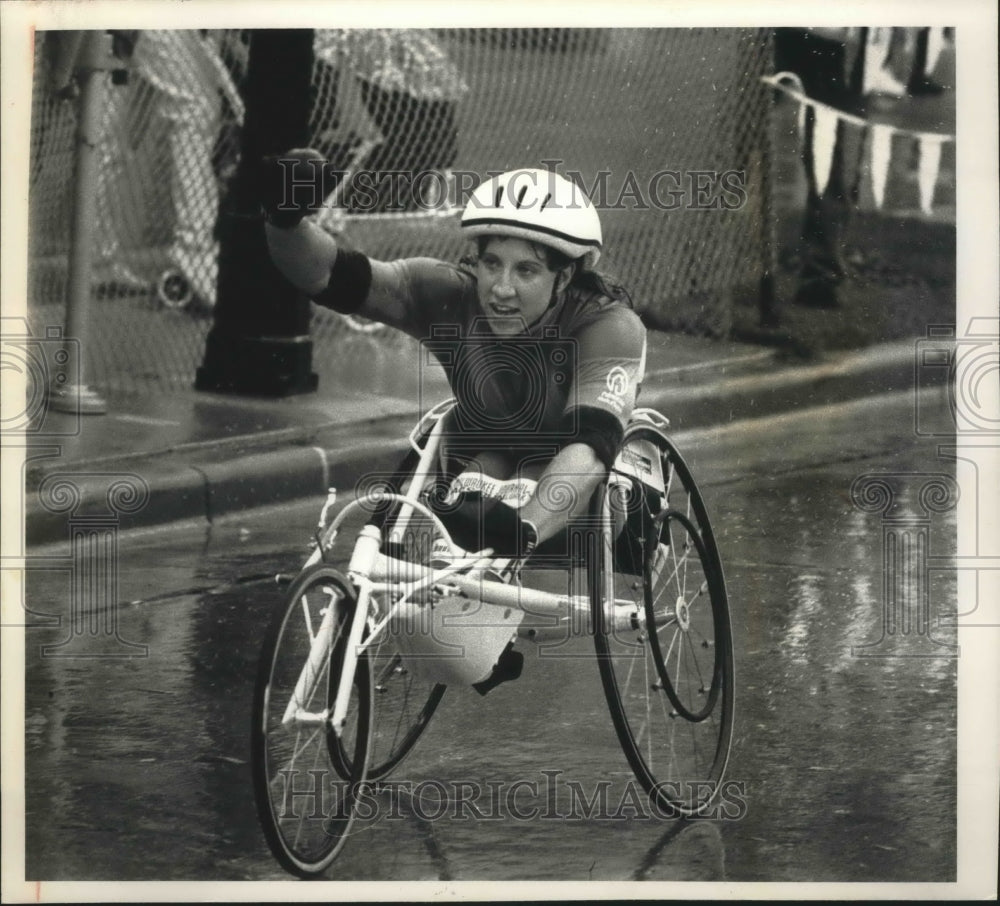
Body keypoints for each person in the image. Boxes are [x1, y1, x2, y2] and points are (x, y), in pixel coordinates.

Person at [262, 152, 647, 691]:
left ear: (567, 276)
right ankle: (460, 631)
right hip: (481, 465)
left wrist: (527, 526)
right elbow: (331, 273)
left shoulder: (609, 327)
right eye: (492, 263)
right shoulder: (447, 294)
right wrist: (284, 220)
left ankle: (481, 612)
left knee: (517, 484)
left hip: (580, 489)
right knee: (454, 470)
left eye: (527, 270)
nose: (501, 288)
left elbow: (590, 448)